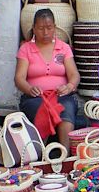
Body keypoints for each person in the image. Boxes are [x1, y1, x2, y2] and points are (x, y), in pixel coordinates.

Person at [15, 9, 80, 147]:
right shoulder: (26, 49)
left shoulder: (64, 48)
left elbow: (74, 75)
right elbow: (19, 78)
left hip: (62, 95)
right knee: (41, 109)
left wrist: (69, 87)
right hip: (35, 98)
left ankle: (65, 155)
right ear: (34, 28)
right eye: (40, 28)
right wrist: (29, 88)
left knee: (66, 108)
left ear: (55, 27)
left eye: (49, 28)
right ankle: (40, 155)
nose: (45, 33)